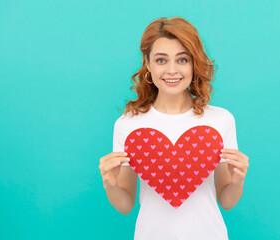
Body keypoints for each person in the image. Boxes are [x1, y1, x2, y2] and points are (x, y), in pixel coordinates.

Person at [99, 16, 250, 240]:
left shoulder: (220, 120)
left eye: (182, 60)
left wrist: (238, 180)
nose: (172, 70)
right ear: (147, 64)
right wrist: (110, 184)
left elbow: (226, 201)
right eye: (161, 60)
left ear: (194, 63)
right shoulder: (128, 125)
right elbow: (126, 205)